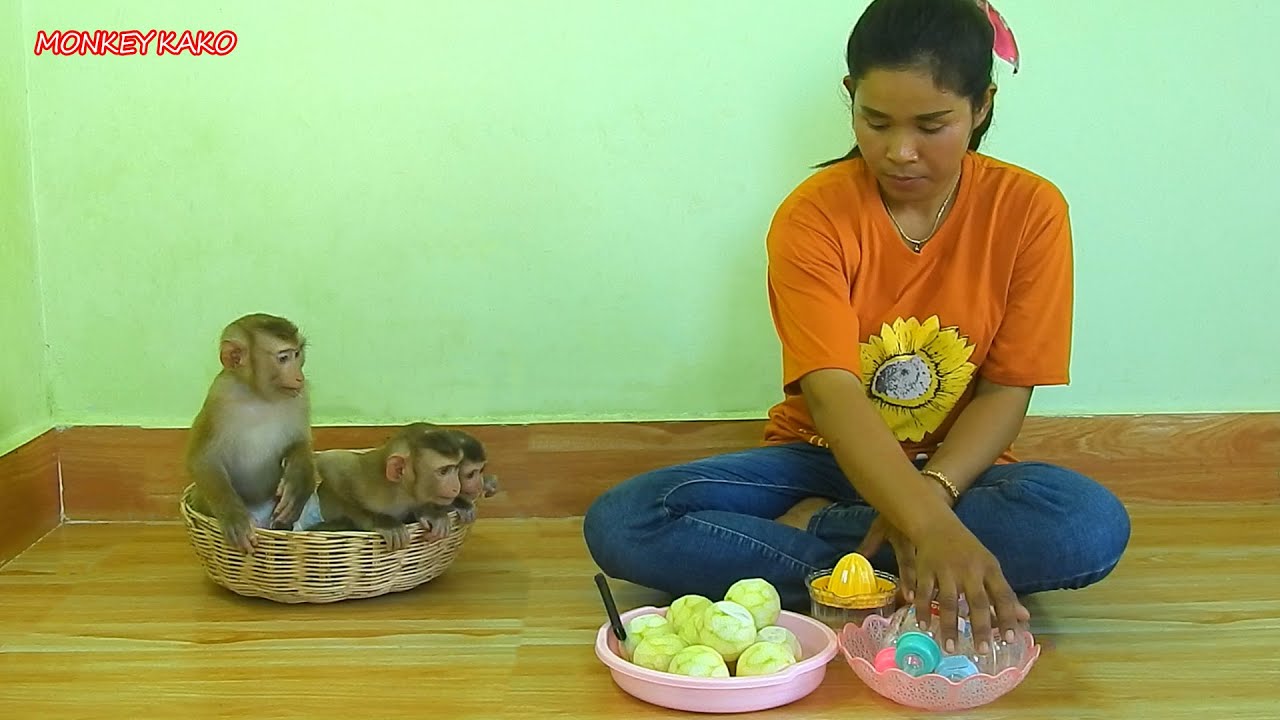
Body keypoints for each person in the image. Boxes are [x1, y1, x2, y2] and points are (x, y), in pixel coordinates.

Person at [582, 0, 1130, 649]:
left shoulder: (1030, 210)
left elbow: (1006, 389)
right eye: (876, 121)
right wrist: (926, 529)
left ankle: (841, 551)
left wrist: (931, 501)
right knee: (625, 521)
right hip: (819, 459)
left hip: (959, 473)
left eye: (932, 125)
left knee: (1087, 526)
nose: (900, 152)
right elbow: (831, 392)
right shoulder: (813, 215)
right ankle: (904, 564)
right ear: (850, 97)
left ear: (981, 105)